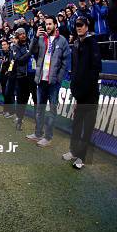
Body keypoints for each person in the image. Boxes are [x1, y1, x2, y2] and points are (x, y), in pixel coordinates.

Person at [27, 15, 70, 147]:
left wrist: (58, 78)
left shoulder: (62, 41)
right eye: (46, 24)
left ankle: (48, 137)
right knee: (40, 109)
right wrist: (35, 37)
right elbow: (31, 51)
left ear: (55, 25)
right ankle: (38, 133)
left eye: (50, 24)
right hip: (41, 80)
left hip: (53, 83)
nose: (48, 26)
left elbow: (66, 62)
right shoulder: (40, 39)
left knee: (51, 110)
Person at [65, 16, 101, 169]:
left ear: (87, 26)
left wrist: (85, 90)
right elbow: (74, 69)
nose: (78, 27)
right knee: (76, 125)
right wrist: (75, 91)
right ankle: (73, 151)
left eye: (81, 25)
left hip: (90, 94)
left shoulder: (92, 43)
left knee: (87, 128)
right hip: (79, 93)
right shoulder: (75, 44)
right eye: (76, 25)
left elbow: (96, 68)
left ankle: (82, 157)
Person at [0, 40, 12, 115]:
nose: (3, 46)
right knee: (4, 93)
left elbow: (11, 63)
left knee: (8, 94)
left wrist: (8, 72)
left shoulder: (10, 54)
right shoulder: (3, 54)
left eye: (4, 44)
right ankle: (5, 110)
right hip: (2, 76)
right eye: (2, 45)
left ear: (8, 45)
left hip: (7, 76)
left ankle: (10, 111)